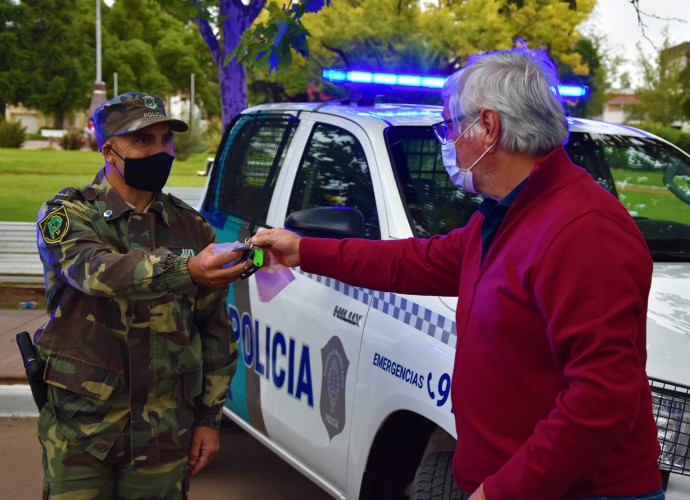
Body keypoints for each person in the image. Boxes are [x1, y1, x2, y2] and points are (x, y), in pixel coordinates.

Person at [249, 48, 664, 499]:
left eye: (450, 126)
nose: (446, 140)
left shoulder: (584, 232)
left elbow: (603, 398)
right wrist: (303, 250)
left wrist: (502, 491)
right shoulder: (506, 215)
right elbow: (415, 262)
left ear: (488, 126)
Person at [35, 92, 247, 499]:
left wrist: (208, 418)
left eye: (165, 139)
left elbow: (214, 331)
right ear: (108, 151)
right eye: (143, 140)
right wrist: (185, 269)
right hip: (82, 428)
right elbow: (95, 271)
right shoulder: (68, 214)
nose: (159, 150)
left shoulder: (191, 228)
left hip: (164, 430)